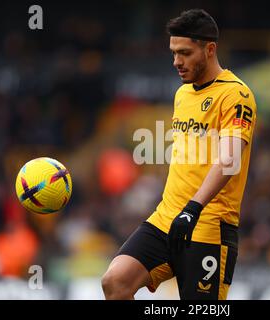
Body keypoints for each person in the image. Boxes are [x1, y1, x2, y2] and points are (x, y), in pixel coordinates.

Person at [101, 8, 257, 300]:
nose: (176, 61)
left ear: (210, 50)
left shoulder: (236, 95)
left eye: (184, 53)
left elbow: (229, 159)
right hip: (167, 217)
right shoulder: (182, 94)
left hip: (208, 224)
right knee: (116, 282)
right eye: (173, 53)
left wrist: (193, 208)